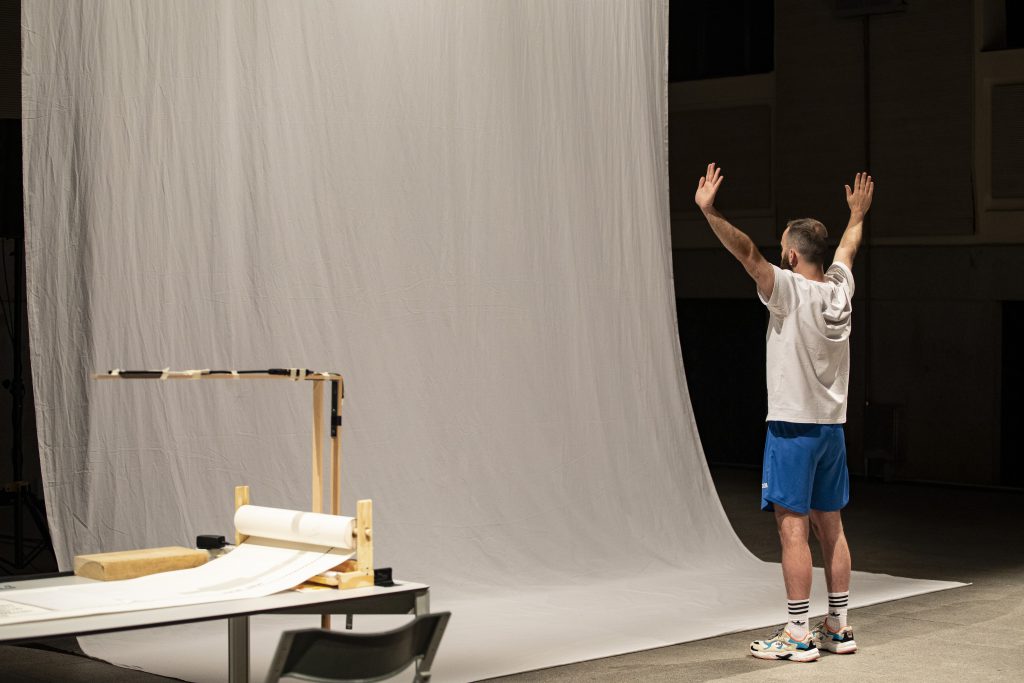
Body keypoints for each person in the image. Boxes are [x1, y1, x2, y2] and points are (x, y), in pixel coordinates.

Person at [694, 163, 873, 662]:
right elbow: (848, 249)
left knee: (792, 530)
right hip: (832, 431)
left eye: (782, 249)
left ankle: (798, 634)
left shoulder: (789, 291)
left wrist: (709, 211)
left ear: (792, 255)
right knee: (831, 527)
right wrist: (857, 214)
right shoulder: (840, 291)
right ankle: (838, 626)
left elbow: (747, 253)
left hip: (793, 429)